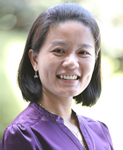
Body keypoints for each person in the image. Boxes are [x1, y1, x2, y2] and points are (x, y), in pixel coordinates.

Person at [2, 3, 114, 150]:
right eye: (59, 50)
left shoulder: (100, 131)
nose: (71, 63)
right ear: (35, 59)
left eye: (83, 52)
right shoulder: (24, 134)